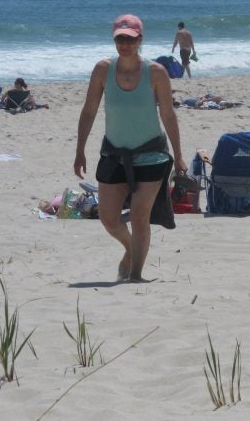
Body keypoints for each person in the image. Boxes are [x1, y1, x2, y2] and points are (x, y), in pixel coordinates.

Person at [74, 14, 186, 283]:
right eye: (120, 39)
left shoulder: (156, 72)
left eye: (130, 39)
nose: (124, 44)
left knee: (139, 215)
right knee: (109, 219)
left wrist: (179, 155)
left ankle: (136, 275)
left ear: (140, 40)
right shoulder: (103, 70)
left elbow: (169, 115)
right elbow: (89, 110)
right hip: (113, 153)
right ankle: (129, 249)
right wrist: (79, 150)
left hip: (152, 154)